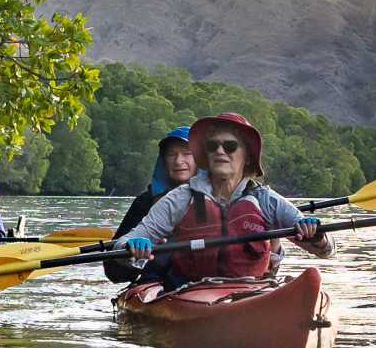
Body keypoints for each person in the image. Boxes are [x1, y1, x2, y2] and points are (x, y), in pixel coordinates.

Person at [116, 112, 331, 289]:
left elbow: (327, 250)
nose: (220, 151)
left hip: (250, 291)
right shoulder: (181, 198)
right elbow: (123, 243)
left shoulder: (266, 200)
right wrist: (131, 246)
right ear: (206, 156)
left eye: (229, 146)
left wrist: (316, 235)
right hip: (189, 292)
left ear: (248, 156)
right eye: (212, 146)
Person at [104, 126, 195, 283]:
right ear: (163, 161)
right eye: (171, 154)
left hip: (203, 281)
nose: (178, 161)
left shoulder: (216, 198)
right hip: (157, 282)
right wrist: (131, 253)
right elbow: (113, 273)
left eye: (187, 153)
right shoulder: (145, 202)